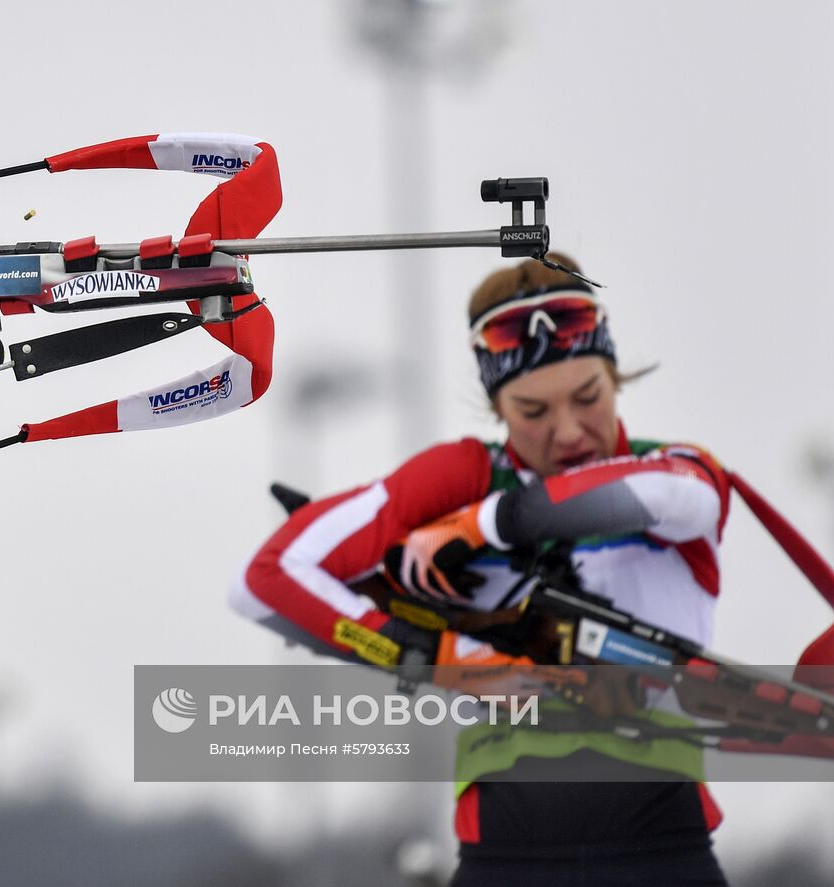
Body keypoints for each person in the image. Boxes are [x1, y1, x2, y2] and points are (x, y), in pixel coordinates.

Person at [231, 253, 735, 885]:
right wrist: (435, 655)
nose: (569, 431)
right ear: (497, 408)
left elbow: (663, 498)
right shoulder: (461, 475)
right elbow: (266, 580)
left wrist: (484, 525)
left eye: (588, 397)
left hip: (659, 841)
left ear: (615, 379)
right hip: (504, 843)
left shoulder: (675, 470)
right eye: (533, 412)